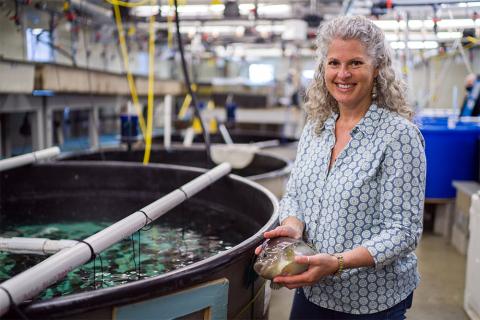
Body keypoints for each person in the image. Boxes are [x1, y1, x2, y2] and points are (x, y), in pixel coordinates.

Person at [256, 16, 426, 319]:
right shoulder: (317, 127)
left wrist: (337, 263)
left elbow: (403, 231)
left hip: (371, 301)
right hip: (312, 291)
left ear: (377, 69)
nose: (343, 74)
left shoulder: (398, 136)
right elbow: (295, 194)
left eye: (356, 63)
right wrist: (292, 228)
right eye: (334, 62)